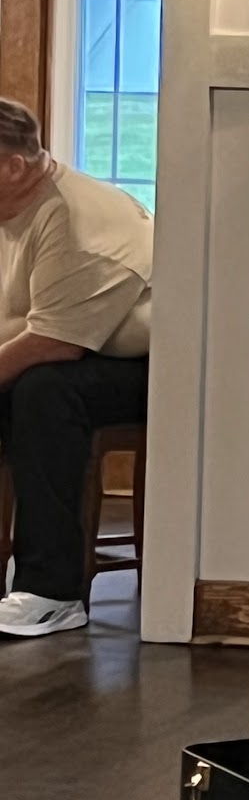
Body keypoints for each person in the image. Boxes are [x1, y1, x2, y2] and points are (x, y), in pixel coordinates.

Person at [0, 99, 152, 638]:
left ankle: (52, 592)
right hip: (65, 347)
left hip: (147, 366)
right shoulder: (14, 204)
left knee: (42, 393)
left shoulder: (74, 220)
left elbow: (53, 344)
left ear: (14, 166)